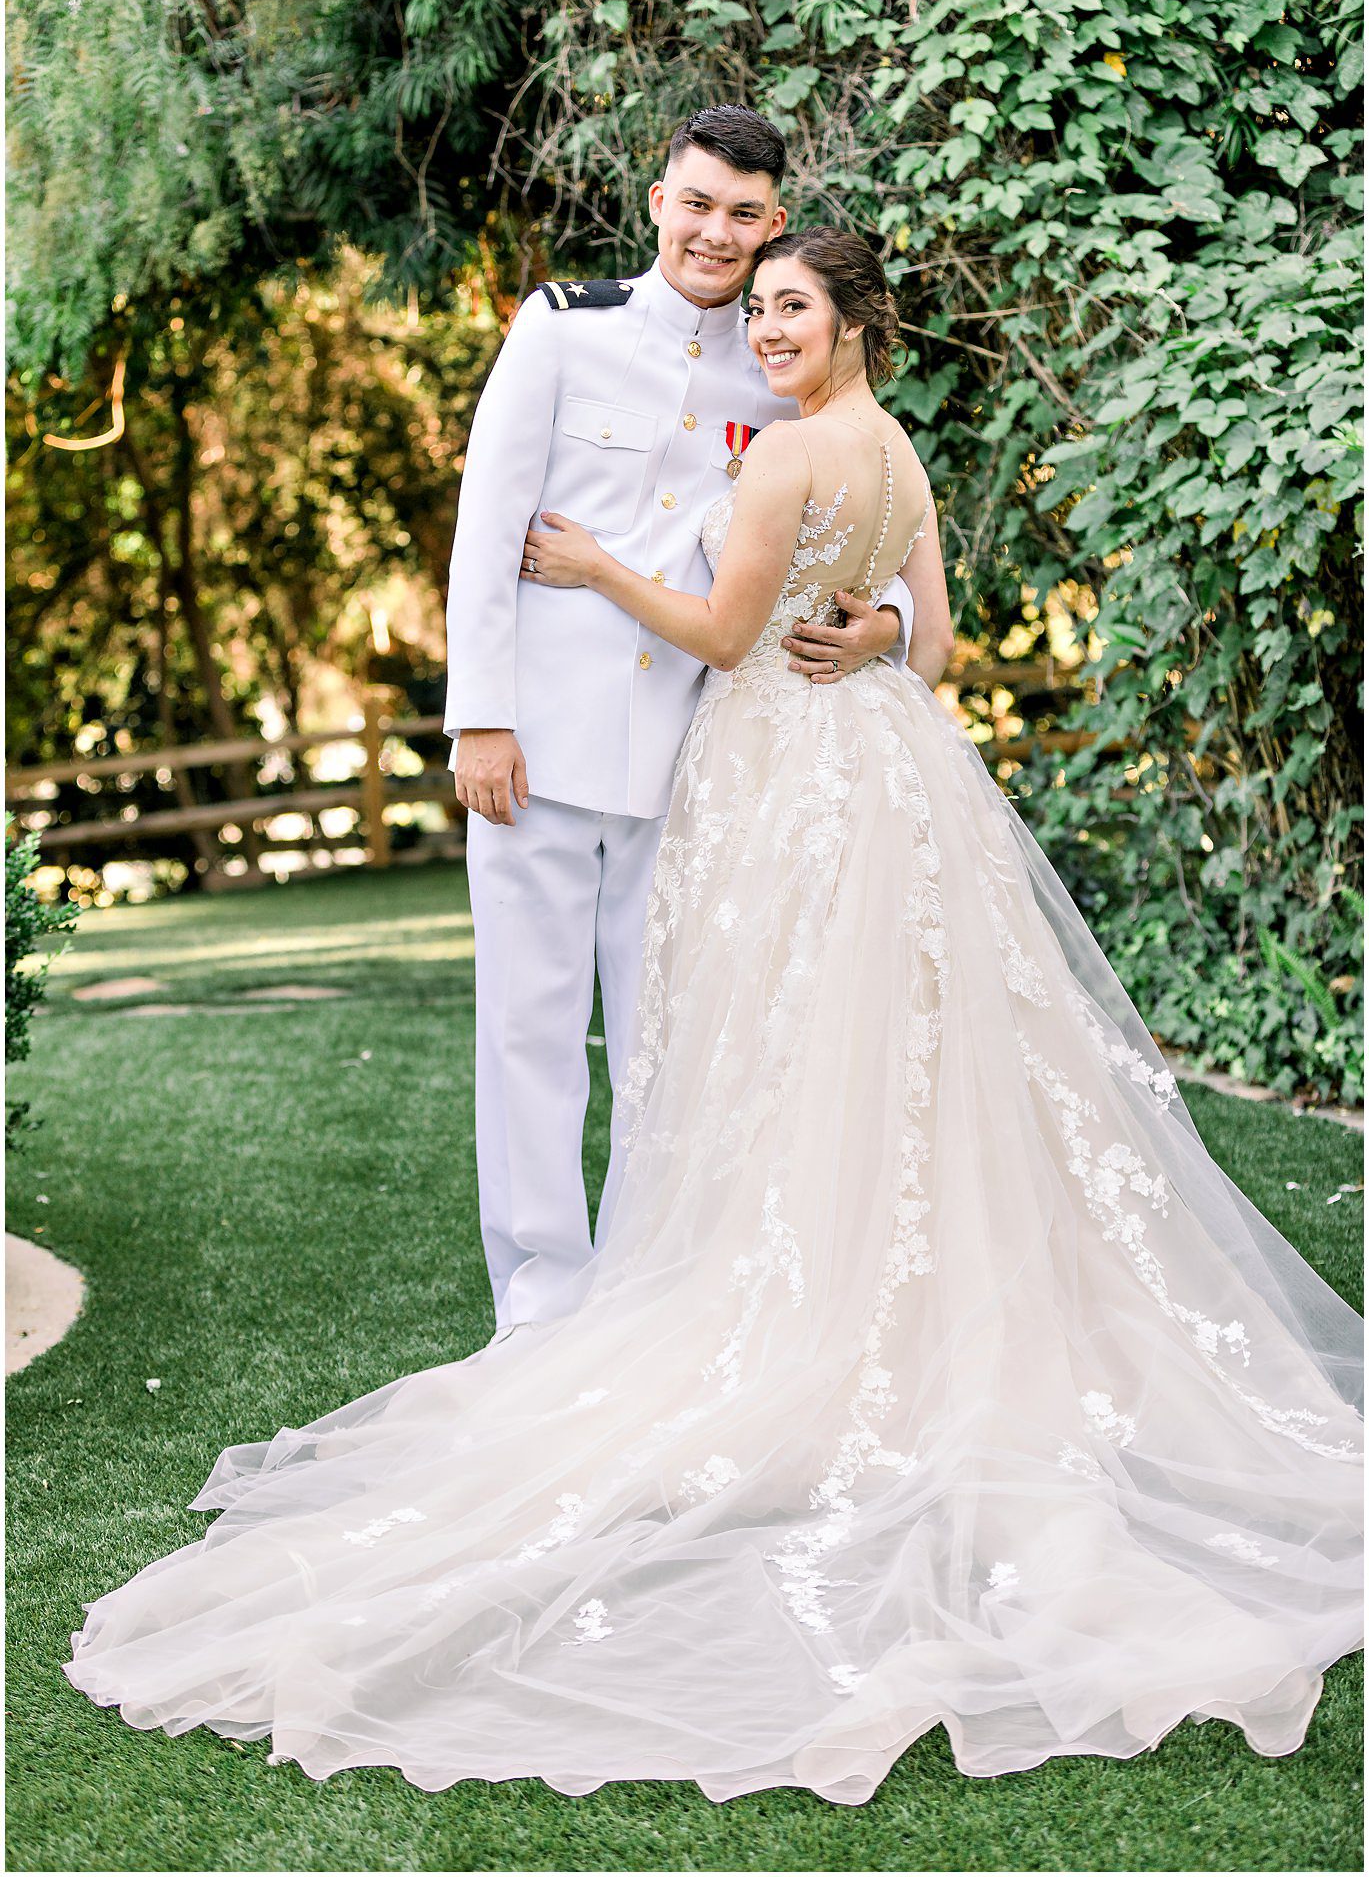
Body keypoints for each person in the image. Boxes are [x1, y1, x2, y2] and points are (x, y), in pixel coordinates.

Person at [65, 228, 1362, 1802]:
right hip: (890, 775)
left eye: (793, 307)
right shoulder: (898, 453)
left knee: (787, 1055)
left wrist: (601, 571)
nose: (768, 330)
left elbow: (726, 636)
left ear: (856, 319)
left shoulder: (790, 457)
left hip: (781, 779)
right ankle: (899, 1308)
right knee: (890, 1060)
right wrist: (879, 634)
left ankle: (805, 1318)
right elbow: (938, 643)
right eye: (759, 311)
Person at [444, 105, 916, 1335]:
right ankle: (540, 1300)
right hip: (540, 743)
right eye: (696, 203)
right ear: (660, 201)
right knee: (531, 1029)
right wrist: (478, 715)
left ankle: (644, 1294)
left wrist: (889, 623)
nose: (716, 232)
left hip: (700, 757)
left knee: (672, 1039)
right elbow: (488, 523)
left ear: (773, 222)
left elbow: (857, 519)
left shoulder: (781, 359)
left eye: (743, 214)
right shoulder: (563, 327)